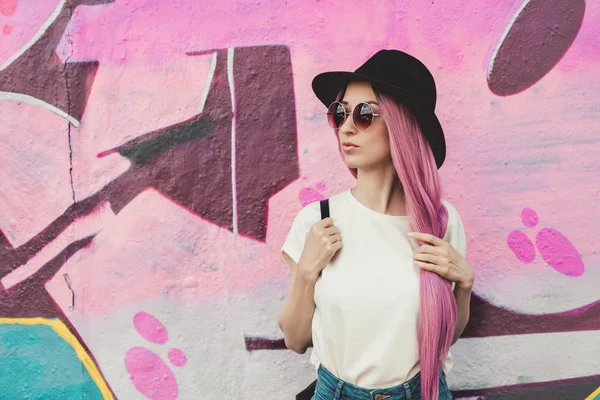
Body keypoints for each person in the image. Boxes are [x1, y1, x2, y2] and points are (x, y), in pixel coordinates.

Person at [277, 50, 474, 400]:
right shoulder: (317, 220)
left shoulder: (440, 223)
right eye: (340, 113)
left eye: (365, 114)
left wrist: (464, 285)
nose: (347, 126)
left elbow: (445, 337)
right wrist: (306, 272)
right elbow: (295, 340)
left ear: (403, 124)